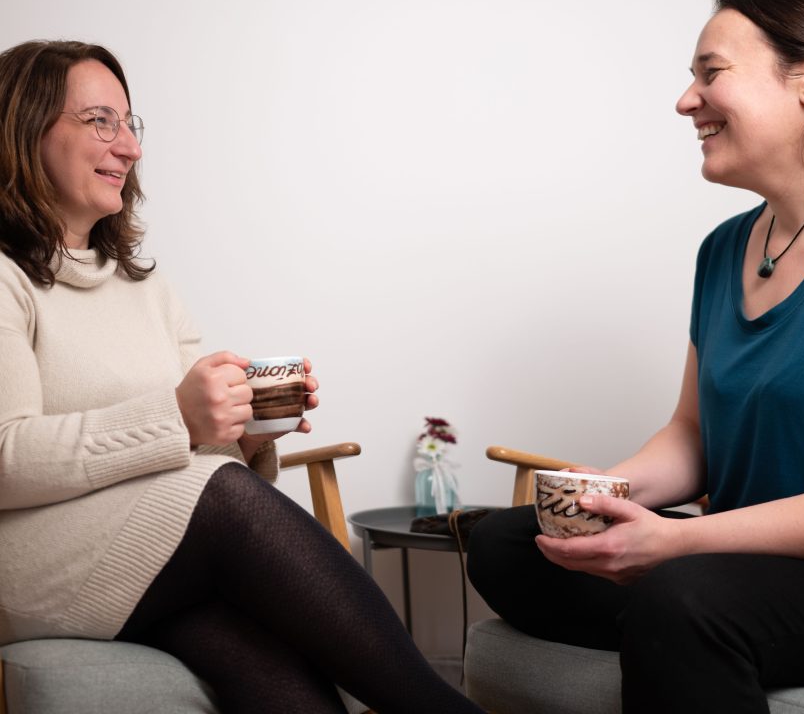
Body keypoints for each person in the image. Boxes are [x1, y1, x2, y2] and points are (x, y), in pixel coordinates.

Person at [0, 39, 485, 714]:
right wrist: (179, 418)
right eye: (100, 121)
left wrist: (244, 431)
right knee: (225, 494)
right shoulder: (6, 278)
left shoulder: (147, 288)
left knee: (282, 680)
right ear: (24, 130)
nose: (129, 147)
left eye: (130, 124)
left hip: (147, 562)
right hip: (32, 565)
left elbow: (189, 460)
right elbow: (7, 456)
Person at [467, 0, 804, 713]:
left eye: (711, 73)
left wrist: (682, 544)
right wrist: (606, 494)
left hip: (790, 569)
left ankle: (684, 632)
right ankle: (684, 642)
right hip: (739, 559)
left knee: (680, 599)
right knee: (506, 543)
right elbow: (692, 435)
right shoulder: (725, 248)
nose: (686, 101)